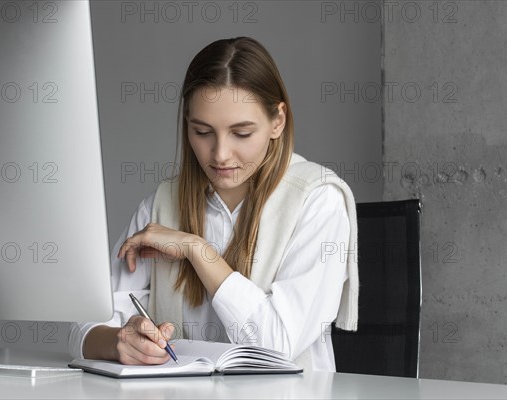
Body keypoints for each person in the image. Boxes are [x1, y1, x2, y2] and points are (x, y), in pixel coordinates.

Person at [69, 36, 358, 372]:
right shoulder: (162, 204)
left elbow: (277, 346)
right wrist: (119, 342)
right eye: (203, 132)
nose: (220, 154)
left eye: (242, 133)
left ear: (277, 121)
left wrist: (197, 249)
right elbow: (83, 326)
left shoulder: (319, 200)